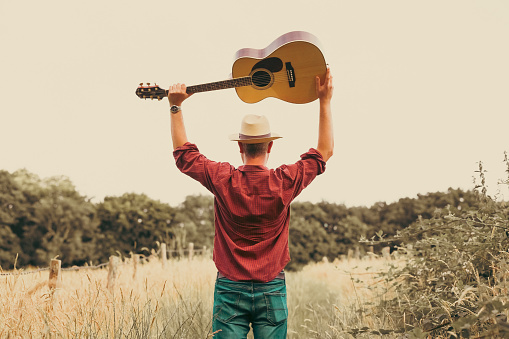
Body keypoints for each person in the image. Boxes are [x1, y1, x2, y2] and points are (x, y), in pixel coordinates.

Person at [167, 67, 334, 338]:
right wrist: (324, 101)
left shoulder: (223, 179)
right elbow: (324, 152)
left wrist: (175, 107)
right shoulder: (285, 181)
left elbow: (184, 156)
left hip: (230, 287)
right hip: (272, 287)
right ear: (270, 147)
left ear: (240, 147)